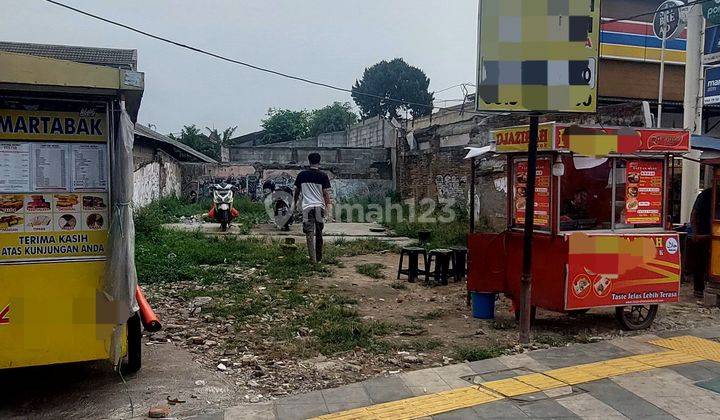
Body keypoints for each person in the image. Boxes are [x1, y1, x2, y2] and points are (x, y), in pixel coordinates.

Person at [294, 153, 332, 263]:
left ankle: (313, 260)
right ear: (319, 162)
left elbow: (296, 192)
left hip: (307, 208)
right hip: (319, 207)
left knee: (309, 233)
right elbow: (326, 194)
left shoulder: (302, 175)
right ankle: (319, 258)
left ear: (309, 161)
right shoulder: (323, 176)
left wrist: (294, 204)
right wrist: (328, 209)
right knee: (319, 233)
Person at [688, 188, 712, 298]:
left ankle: (699, 288)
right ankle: (698, 289)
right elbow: (694, 214)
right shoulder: (706, 194)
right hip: (703, 234)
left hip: (707, 234)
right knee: (700, 262)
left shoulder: (706, 194)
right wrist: (695, 233)